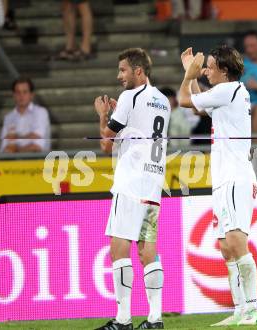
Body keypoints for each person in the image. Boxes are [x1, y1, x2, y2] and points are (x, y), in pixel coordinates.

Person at [178, 46, 257, 326]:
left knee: (237, 242)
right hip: (225, 178)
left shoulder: (230, 90)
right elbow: (199, 100)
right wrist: (190, 74)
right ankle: (240, 309)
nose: (205, 70)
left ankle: (252, 309)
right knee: (226, 246)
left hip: (236, 177)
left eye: (210, 66)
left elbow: (183, 100)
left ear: (224, 70)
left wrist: (188, 74)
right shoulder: (230, 93)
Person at [94, 48, 170, 330]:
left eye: (123, 70)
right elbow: (138, 131)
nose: (119, 76)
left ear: (139, 71)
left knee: (118, 251)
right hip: (152, 186)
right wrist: (120, 117)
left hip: (130, 184)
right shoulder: (163, 101)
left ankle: (123, 320)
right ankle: (155, 319)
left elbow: (105, 142)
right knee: (148, 251)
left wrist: (103, 115)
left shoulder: (128, 97)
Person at [0, 77, 51, 153]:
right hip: (13, 163)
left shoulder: (40, 112)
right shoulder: (8, 117)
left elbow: (37, 147)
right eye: (18, 92)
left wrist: (15, 147)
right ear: (13, 95)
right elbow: (4, 148)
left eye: (25, 92)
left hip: (38, 162)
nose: (21, 96)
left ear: (31, 95)